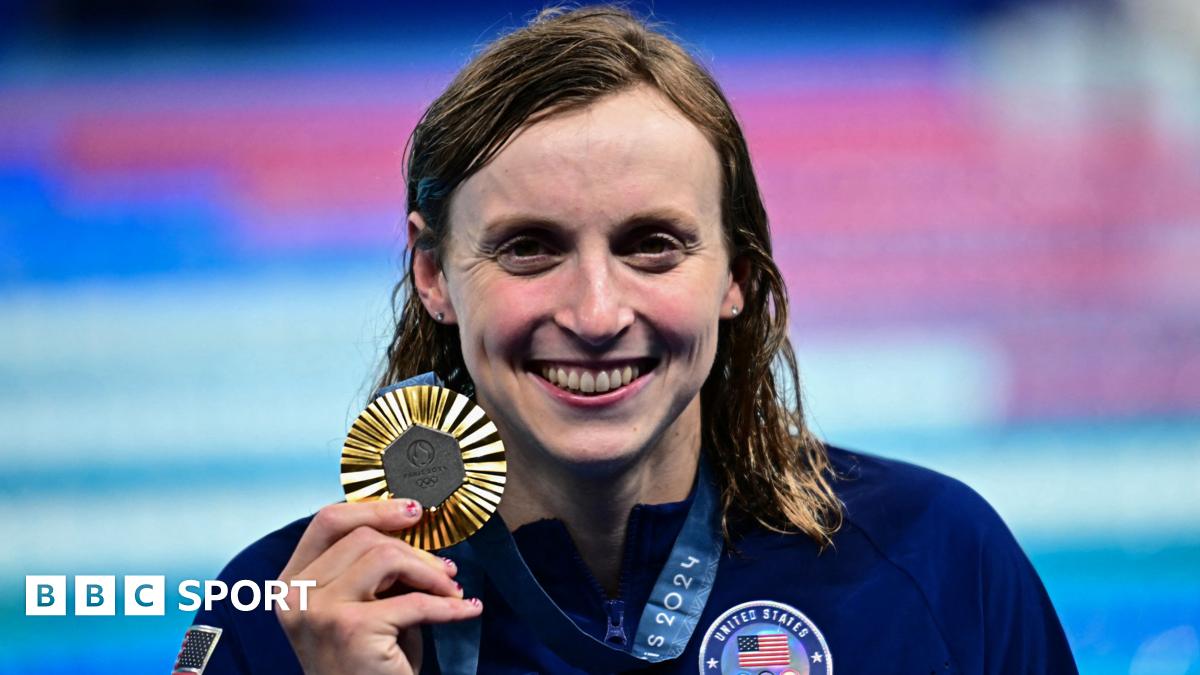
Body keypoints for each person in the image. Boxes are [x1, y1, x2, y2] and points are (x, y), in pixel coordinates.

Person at [178, 6, 1078, 674]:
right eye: (530, 248)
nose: (597, 313)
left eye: (653, 245)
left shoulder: (935, 559)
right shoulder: (286, 617)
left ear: (736, 274)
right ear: (432, 273)